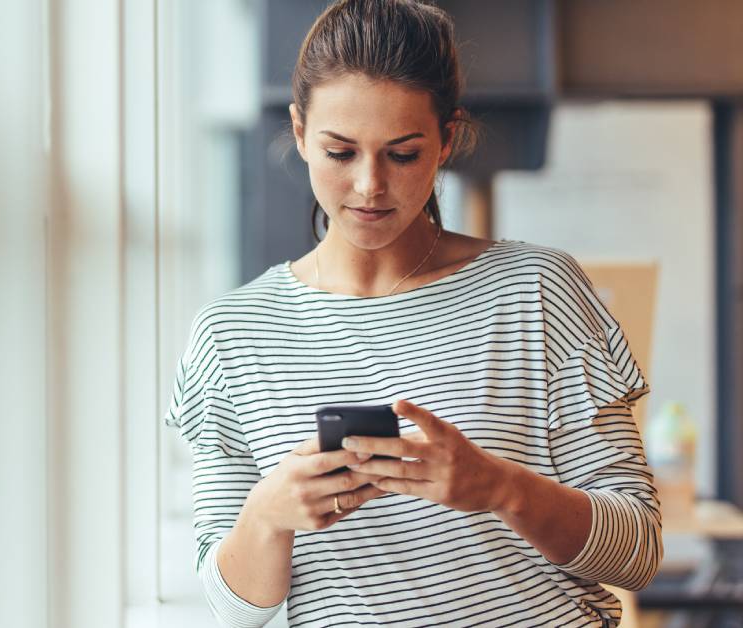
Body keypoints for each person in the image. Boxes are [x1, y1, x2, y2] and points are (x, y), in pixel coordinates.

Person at [163, 1, 661, 626]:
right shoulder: (232, 335)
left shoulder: (538, 291)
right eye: (340, 153)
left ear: (447, 138)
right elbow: (231, 612)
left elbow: (638, 551)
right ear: (298, 132)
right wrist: (268, 513)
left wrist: (501, 487)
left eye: (401, 154)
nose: (370, 186)